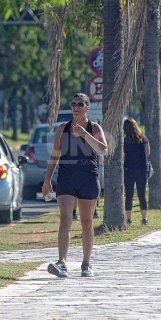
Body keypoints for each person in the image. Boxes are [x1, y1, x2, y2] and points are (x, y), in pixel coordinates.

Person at [42, 93, 108, 278]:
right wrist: (47, 180)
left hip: (88, 176)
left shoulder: (94, 128)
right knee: (65, 219)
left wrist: (85, 134)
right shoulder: (63, 128)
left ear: (87, 107)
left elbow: (103, 149)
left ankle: (86, 264)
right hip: (66, 177)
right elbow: (55, 155)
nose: (76, 107)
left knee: (87, 221)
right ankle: (62, 263)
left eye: (80, 104)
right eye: (74, 103)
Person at [123, 118, 150, 225]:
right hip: (142, 170)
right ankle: (144, 219)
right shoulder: (143, 139)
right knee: (142, 195)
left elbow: (123, 155)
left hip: (129, 170)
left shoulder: (125, 141)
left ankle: (128, 219)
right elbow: (148, 153)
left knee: (129, 194)